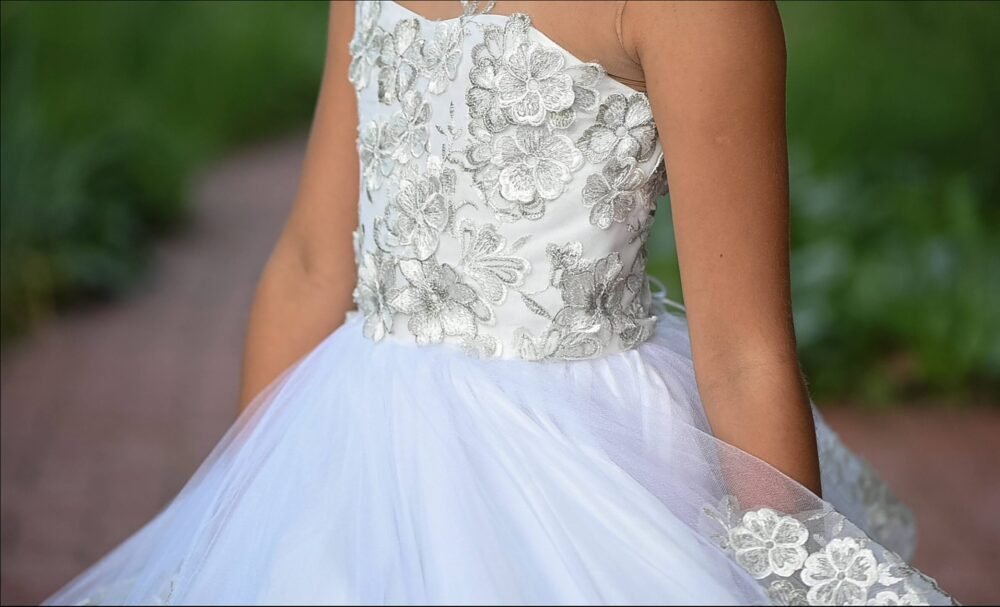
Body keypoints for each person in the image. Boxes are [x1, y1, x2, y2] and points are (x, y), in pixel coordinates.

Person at [47, 1, 955, 604]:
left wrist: (797, 580)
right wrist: (229, 522)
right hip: (349, 443)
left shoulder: (695, 10)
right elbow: (312, 259)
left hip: (585, 460)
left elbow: (745, 349)